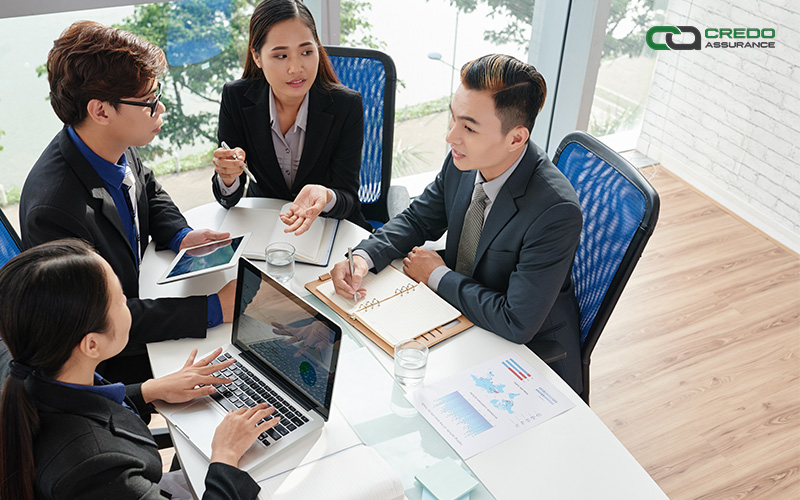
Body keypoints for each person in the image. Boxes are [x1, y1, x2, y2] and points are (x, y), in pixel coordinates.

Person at [331, 54, 584, 393]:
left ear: (516, 138)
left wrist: (436, 275)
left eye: (468, 127)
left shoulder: (555, 211)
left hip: (525, 359)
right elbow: (419, 217)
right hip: (461, 317)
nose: (451, 137)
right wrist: (364, 257)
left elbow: (516, 321)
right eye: (453, 119)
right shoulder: (466, 161)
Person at [19, 21, 236, 383]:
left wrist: (181, 235)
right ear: (101, 111)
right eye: (149, 101)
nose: (160, 107)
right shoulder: (54, 211)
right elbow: (102, 323)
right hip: (115, 361)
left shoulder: (109, 143)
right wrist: (213, 308)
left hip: (144, 300)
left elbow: (146, 187)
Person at [0, 240, 278, 500]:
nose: (129, 307)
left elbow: (83, 407)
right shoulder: (94, 467)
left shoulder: (29, 368)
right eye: (121, 301)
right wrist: (225, 457)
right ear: (91, 345)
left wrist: (148, 390)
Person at [212, 0, 372, 234]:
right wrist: (228, 178)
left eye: (307, 52)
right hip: (265, 229)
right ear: (257, 57)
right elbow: (229, 200)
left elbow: (347, 198)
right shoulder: (236, 97)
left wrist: (326, 196)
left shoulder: (346, 105)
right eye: (281, 56)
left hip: (326, 229)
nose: (296, 68)